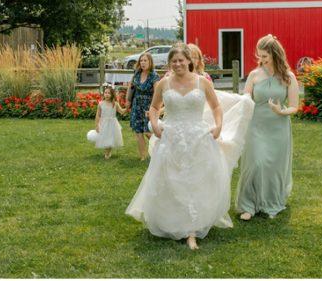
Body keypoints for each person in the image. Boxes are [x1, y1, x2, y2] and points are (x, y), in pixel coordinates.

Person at [126, 44, 250, 249]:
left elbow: (216, 106)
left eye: (181, 60)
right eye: (173, 61)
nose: (177, 64)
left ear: (189, 61)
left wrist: (219, 125)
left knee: (195, 181)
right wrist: (155, 123)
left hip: (198, 137)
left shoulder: (202, 83)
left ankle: (192, 229)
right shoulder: (163, 84)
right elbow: (154, 107)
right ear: (169, 64)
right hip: (171, 137)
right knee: (172, 181)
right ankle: (174, 222)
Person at [236, 34, 299, 221]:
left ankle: (271, 203)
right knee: (255, 163)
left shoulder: (288, 77)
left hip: (278, 126)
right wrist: (242, 100)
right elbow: (246, 96)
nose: (261, 60)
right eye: (259, 56)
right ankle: (248, 205)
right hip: (256, 124)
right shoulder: (254, 75)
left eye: (265, 56)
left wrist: (281, 111)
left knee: (272, 166)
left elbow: (295, 106)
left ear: (274, 54)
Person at [126, 53, 160, 161]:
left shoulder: (154, 75)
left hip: (148, 106)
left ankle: (159, 151)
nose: (143, 63)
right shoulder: (137, 73)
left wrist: (153, 108)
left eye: (145, 61)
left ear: (150, 62)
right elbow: (130, 87)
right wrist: (128, 100)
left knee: (148, 132)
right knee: (138, 131)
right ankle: (143, 156)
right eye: (141, 61)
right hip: (137, 105)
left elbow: (157, 93)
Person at [86, 85, 127, 159]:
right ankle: (107, 152)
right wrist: (97, 125)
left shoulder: (115, 104)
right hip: (103, 123)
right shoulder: (101, 104)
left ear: (112, 95)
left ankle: (107, 153)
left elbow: (121, 112)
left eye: (109, 93)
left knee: (110, 138)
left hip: (113, 124)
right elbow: (98, 115)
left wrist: (127, 108)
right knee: (105, 138)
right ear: (103, 94)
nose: (107, 94)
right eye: (105, 93)